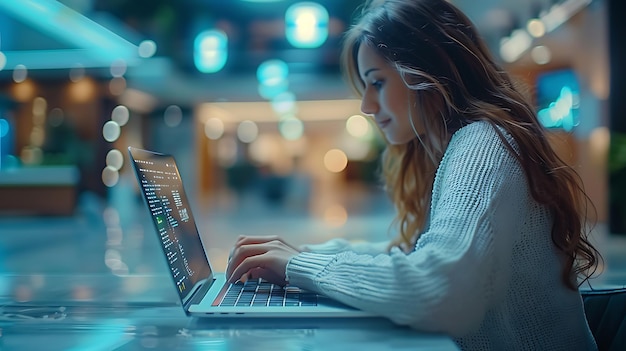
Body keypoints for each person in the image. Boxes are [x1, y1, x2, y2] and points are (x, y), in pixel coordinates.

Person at [226, 0, 601, 349]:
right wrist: (301, 255)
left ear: (426, 71)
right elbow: (413, 256)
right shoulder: (462, 144)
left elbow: (436, 289)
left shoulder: (481, 145)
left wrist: (298, 266)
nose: (367, 105)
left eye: (377, 82)